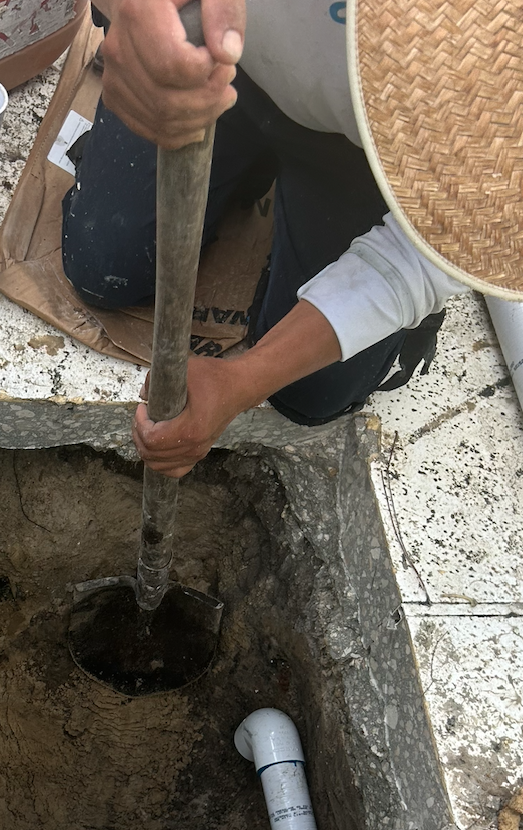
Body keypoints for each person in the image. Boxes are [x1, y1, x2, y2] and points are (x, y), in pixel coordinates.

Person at [61, 0, 522, 476]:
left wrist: (243, 381)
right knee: (100, 265)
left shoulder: (501, 69)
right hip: (218, 63)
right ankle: (246, 167)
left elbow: (437, 250)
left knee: (310, 393)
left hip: (367, 151)